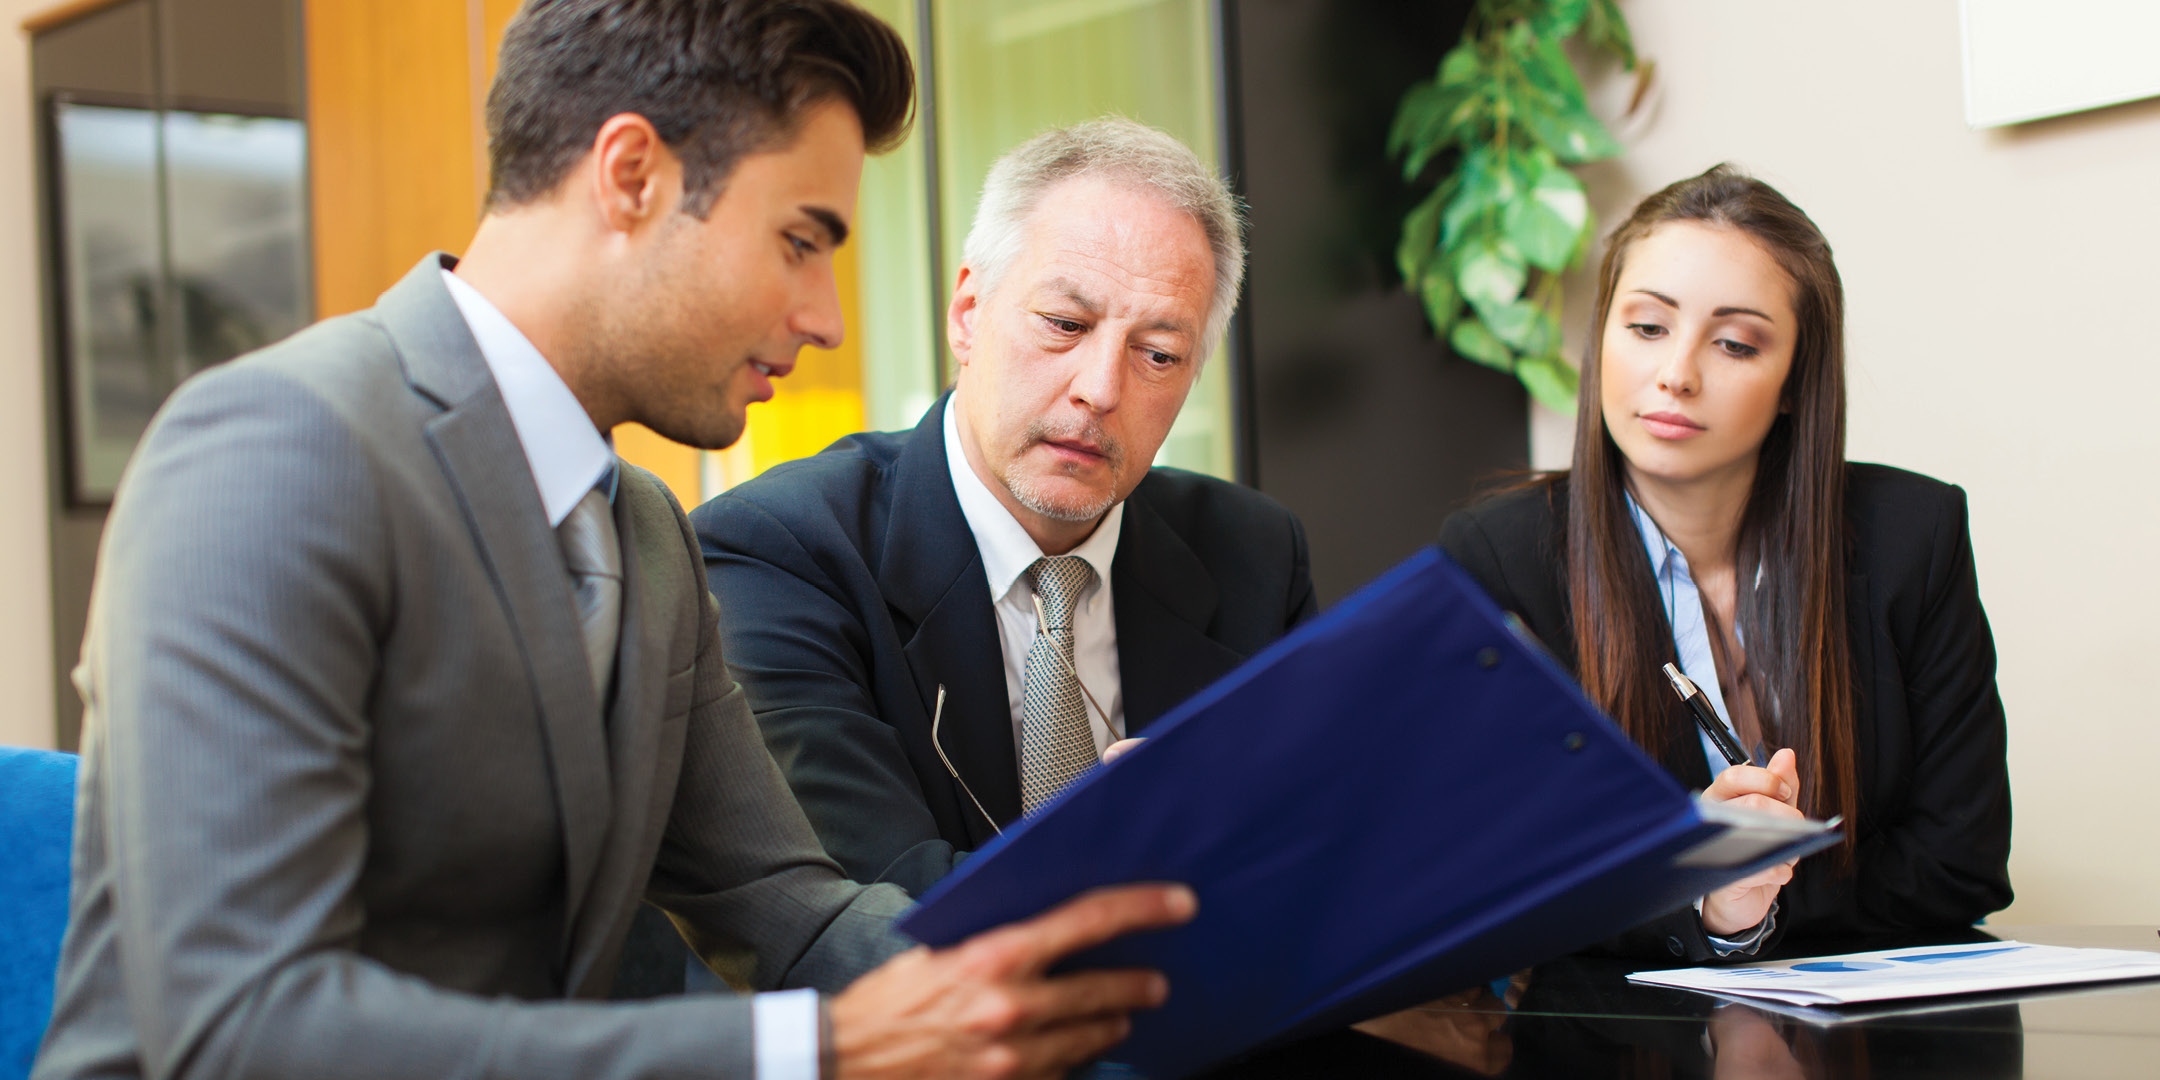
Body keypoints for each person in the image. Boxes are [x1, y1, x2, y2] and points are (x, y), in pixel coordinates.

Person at [33, 4, 1198, 1079]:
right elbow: (238, 1025)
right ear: (632, 175)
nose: (825, 315)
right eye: (801, 240)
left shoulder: (643, 531)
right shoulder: (272, 449)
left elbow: (787, 906)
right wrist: (811, 1053)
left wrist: (1073, 948)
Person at [689, 118, 1316, 895]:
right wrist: (1119, 853)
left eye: (1158, 354)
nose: (1101, 389)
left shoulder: (1254, 551)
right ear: (968, 313)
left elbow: (1312, 855)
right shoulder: (778, 552)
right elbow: (874, 908)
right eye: (1064, 325)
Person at [1439, 164, 2011, 958]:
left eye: (1736, 342)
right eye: (1646, 328)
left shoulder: (1916, 534)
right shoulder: (1497, 560)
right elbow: (1502, 878)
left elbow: (1961, 866)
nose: (1677, 373)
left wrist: (1746, 892)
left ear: (1792, 385)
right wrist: (1708, 900)